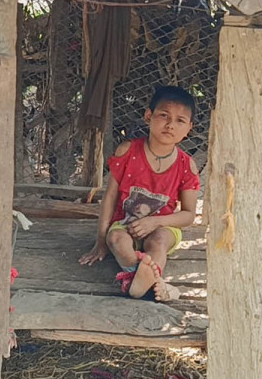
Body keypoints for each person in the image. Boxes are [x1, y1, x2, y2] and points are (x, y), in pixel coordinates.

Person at [79, 86, 200, 300]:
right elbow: (110, 197)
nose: (170, 125)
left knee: (159, 241)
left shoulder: (186, 166)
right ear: (148, 116)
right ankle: (147, 281)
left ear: (188, 128)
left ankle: (136, 281)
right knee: (116, 239)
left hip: (164, 226)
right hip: (125, 223)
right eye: (163, 116)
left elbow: (188, 214)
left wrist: (154, 222)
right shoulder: (128, 152)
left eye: (180, 121)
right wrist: (100, 241)